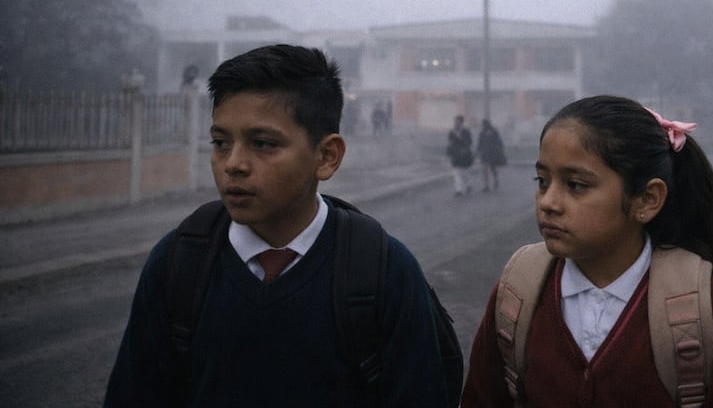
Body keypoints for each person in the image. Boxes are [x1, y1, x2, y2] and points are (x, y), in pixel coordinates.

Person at [105, 44, 450, 406]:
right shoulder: (178, 264)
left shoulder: (384, 272)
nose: (233, 164)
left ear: (327, 157)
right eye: (221, 142)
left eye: (263, 143)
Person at [461, 95, 713, 406]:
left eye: (576, 185)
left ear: (647, 199)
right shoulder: (516, 296)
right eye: (542, 180)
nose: (548, 202)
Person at [446, 114, 474, 196]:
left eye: (457, 122)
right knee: (456, 172)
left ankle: (469, 185)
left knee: (465, 172)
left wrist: (463, 144)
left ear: (461, 122)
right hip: (455, 155)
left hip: (464, 155)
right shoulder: (451, 132)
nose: (455, 123)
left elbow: (469, 142)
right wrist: (448, 152)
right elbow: (450, 143)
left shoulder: (466, 131)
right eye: (455, 122)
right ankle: (458, 190)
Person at [476, 118, 506, 192]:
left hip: (492, 153)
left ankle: (495, 179)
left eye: (483, 124)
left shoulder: (493, 131)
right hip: (485, 153)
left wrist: (499, 150)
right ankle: (486, 185)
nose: (483, 126)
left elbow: (498, 141)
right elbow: (480, 143)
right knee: (485, 169)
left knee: (492, 168)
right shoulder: (482, 132)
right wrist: (477, 151)